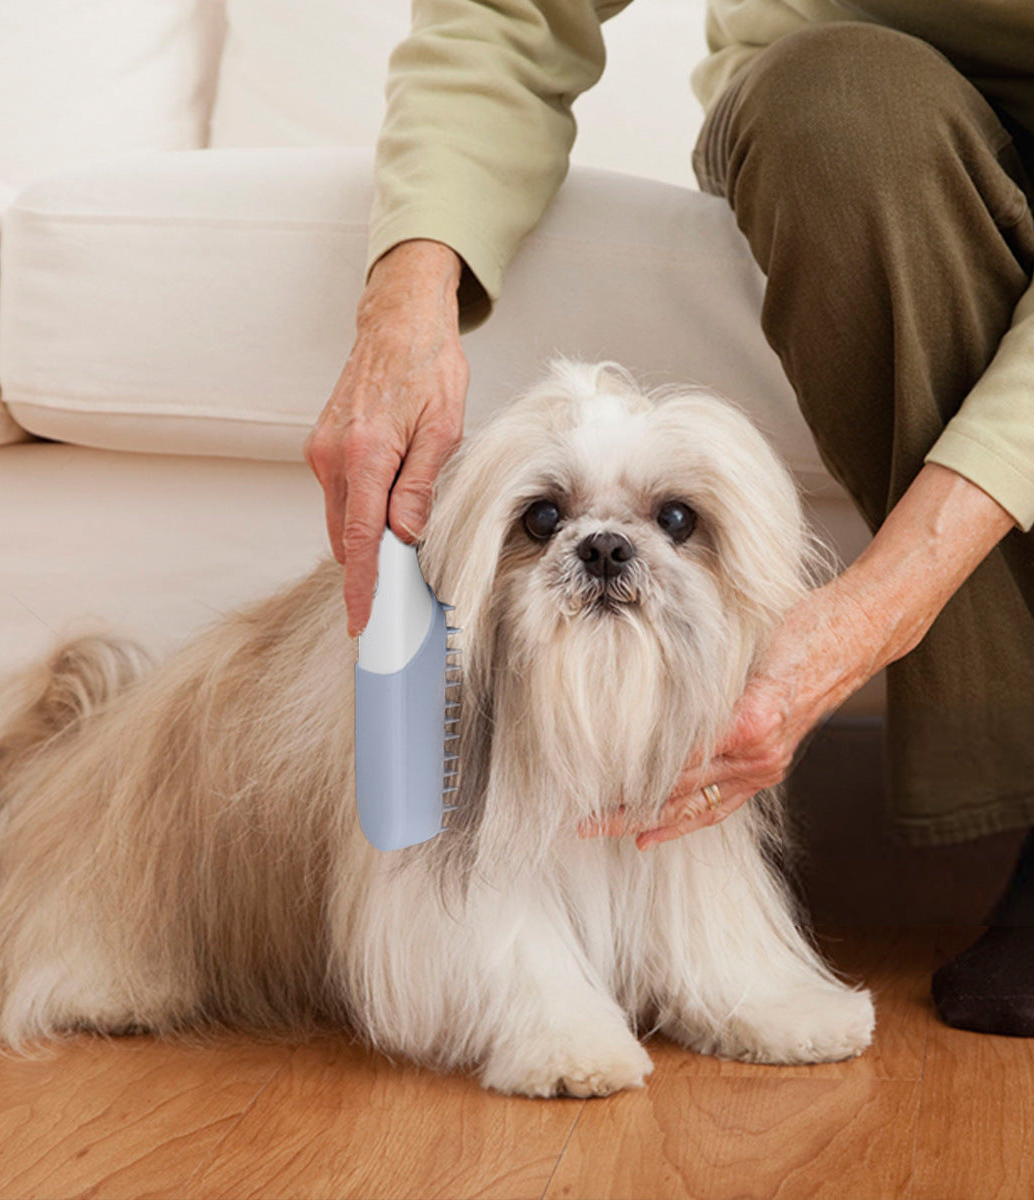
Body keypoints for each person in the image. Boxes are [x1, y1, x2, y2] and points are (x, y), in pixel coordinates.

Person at [302, 1, 1034, 1037]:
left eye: (672, 522)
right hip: (871, 120)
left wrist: (883, 603)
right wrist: (409, 290)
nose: (599, 550)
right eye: (549, 519)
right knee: (843, 108)